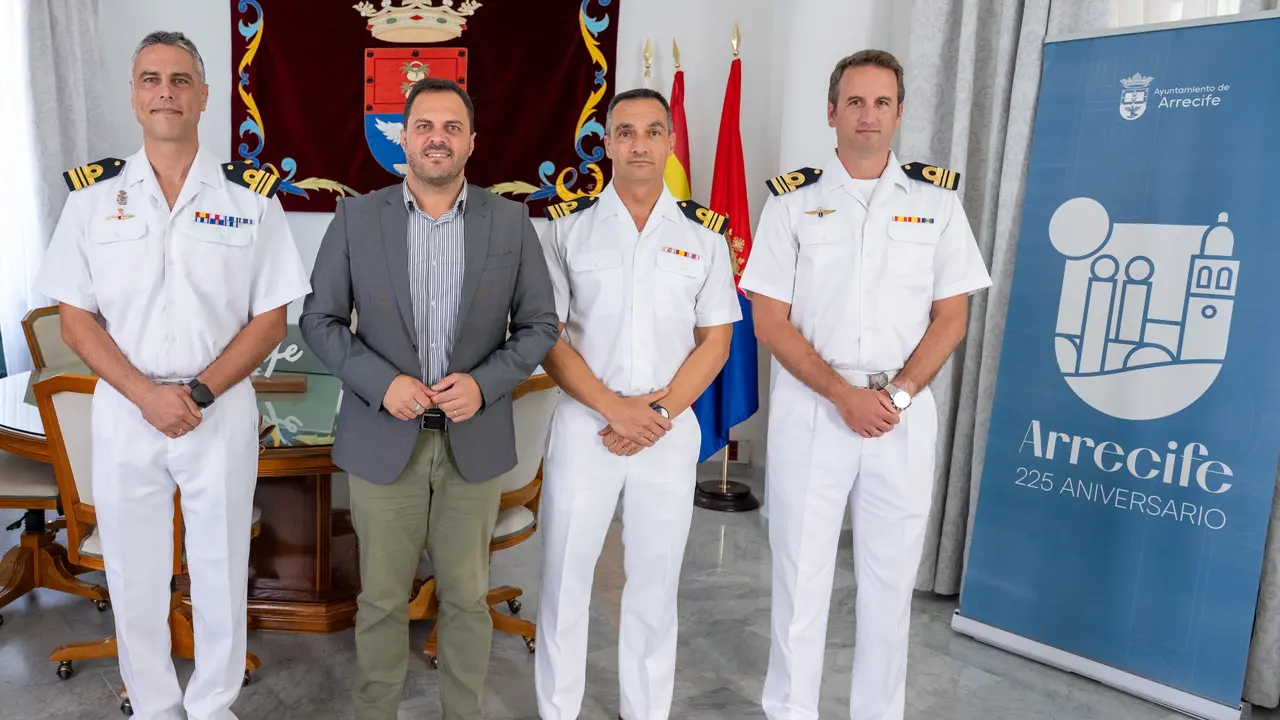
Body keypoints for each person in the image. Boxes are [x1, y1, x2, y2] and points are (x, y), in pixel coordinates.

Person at [32, 31, 310, 720]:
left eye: (180, 79)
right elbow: (75, 321)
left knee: (219, 567)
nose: (165, 91)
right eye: (151, 79)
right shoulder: (92, 199)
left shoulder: (251, 197)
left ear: (205, 95)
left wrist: (198, 393)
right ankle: (154, 707)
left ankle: (213, 705)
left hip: (217, 409)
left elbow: (270, 319)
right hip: (128, 411)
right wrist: (148, 396)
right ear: (133, 95)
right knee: (134, 571)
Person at [739, 50, 993, 720]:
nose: (869, 116)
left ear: (900, 113)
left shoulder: (937, 203)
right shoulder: (792, 203)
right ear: (832, 113)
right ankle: (790, 711)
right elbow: (769, 319)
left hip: (902, 415)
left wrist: (899, 394)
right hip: (814, 409)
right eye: (855, 102)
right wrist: (844, 396)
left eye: (882, 103)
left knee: (890, 584)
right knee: (800, 575)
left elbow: (952, 315)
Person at [299, 77, 558, 720]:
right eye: (424, 126)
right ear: (403, 139)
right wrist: (382, 383)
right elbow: (320, 320)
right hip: (382, 438)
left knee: (468, 599)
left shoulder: (509, 220)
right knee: (382, 598)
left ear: (471, 141)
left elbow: (540, 326)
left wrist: (486, 382)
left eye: (450, 127)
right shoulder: (358, 218)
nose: (436, 138)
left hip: (473, 440)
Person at [535, 88, 741, 720]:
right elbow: (547, 335)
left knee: (654, 584)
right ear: (606, 142)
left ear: (671, 143)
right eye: (625, 132)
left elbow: (717, 340)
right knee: (565, 580)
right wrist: (614, 410)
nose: (639, 144)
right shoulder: (566, 228)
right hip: (585, 426)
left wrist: (652, 415)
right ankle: (558, 710)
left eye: (653, 131)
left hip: (666, 430)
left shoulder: (704, 236)